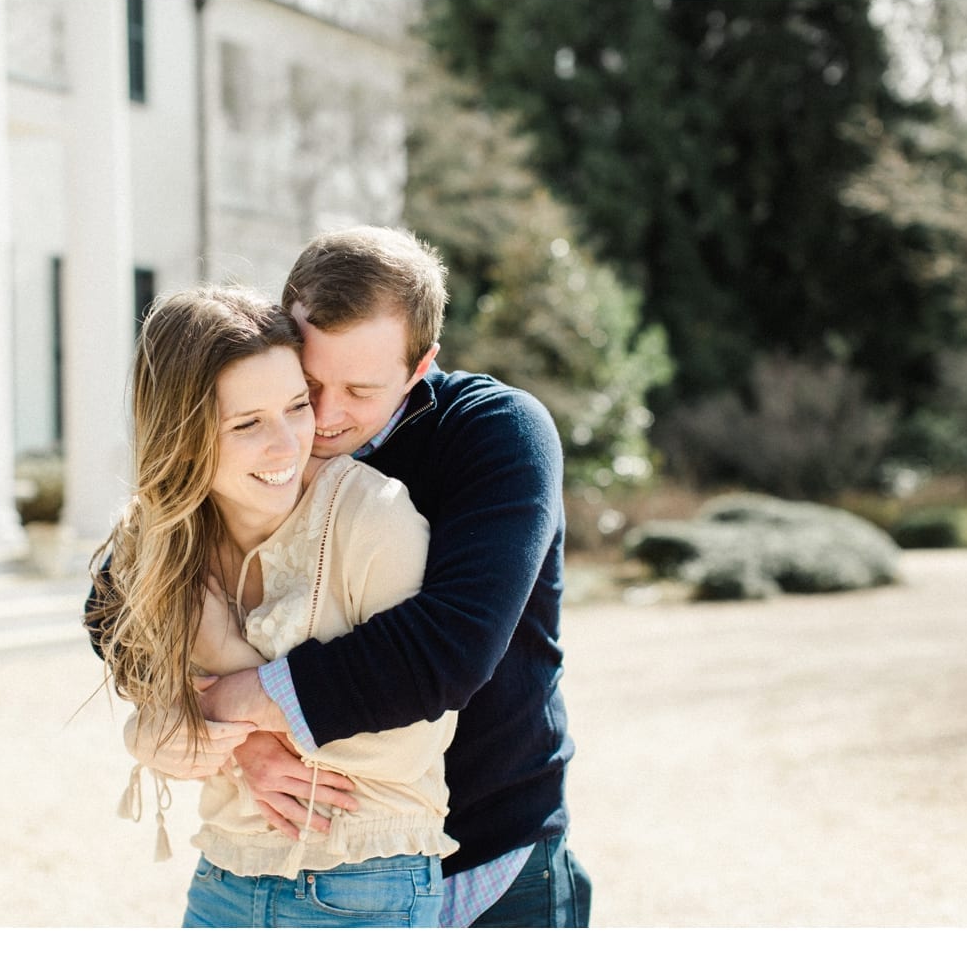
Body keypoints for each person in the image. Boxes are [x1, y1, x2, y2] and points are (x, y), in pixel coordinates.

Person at [129, 226, 591, 927]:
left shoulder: (498, 433)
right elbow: (120, 588)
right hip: (318, 858)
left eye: (361, 389)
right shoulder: (269, 441)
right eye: (310, 382)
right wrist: (242, 744)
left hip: (495, 853)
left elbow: (452, 646)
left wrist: (236, 701)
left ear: (420, 364)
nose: (324, 417)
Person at [88, 284, 459, 928]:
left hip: (366, 884)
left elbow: (405, 746)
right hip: (223, 877)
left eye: (296, 406)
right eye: (248, 423)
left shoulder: (373, 518)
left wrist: (215, 718)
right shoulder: (160, 543)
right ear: (182, 437)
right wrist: (149, 731)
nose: (288, 444)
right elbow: (149, 694)